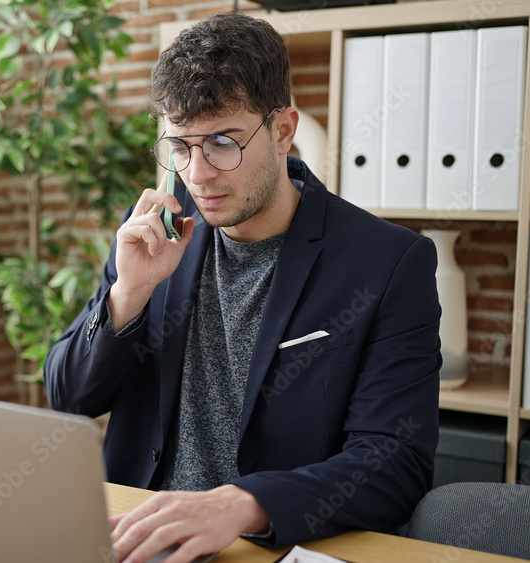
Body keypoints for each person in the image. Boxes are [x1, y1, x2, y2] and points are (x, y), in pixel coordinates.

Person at [43, 11, 442, 563]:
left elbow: (396, 462)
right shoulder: (158, 235)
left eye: (222, 143)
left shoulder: (389, 263)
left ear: (283, 131)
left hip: (263, 546)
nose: (197, 174)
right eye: (179, 147)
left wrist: (242, 503)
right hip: (133, 538)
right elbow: (68, 398)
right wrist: (126, 296)